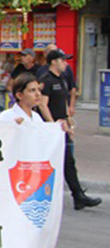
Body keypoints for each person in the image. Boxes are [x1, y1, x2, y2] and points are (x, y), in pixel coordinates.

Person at [0, 73, 50, 248]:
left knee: (32, 224)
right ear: (19, 95)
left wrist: (59, 128)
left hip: (35, 179)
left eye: (38, 90)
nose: (37, 94)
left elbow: (47, 142)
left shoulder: (36, 119)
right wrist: (12, 131)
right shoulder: (7, 117)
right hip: (13, 179)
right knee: (14, 225)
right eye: (32, 90)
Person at [39, 49, 101, 210]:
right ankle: (71, 195)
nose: (66, 63)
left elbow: (64, 103)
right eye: (63, 60)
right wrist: (52, 125)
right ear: (54, 62)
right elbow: (42, 104)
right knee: (53, 163)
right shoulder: (47, 80)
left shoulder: (63, 80)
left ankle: (78, 196)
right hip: (51, 130)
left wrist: (69, 122)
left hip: (62, 128)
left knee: (68, 163)